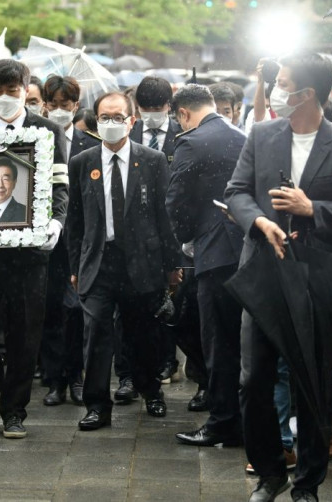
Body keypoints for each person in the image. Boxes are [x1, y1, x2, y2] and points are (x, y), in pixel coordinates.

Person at [225, 52, 332, 502]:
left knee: (310, 380)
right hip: (263, 273)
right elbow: (236, 192)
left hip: (318, 277)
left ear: (308, 93)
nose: (276, 90)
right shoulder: (263, 133)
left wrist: (315, 211)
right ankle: (269, 473)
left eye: (284, 83)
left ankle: (308, 482)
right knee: (254, 380)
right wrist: (259, 222)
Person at [0, 59, 68, 438]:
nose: (5, 98)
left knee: (25, 332)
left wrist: (56, 220)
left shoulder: (48, 130)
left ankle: (14, 409)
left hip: (29, 254)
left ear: (27, 89)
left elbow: (59, 185)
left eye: (13, 90)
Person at [66, 91, 182, 430]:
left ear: (132, 121)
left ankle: (151, 391)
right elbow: (76, 221)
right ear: (95, 120)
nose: (111, 123)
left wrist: (172, 265)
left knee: (142, 334)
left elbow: (165, 216)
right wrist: (75, 268)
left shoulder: (152, 160)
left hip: (141, 263)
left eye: (118, 117)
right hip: (99, 262)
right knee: (97, 334)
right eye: (104, 117)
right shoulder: (82, 162)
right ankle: (97, 405)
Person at [165, 84, 246, 447]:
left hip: (212, 251)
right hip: (247, 248)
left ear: (182, 113)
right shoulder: (243, 136)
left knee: (217, 344)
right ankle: (243, 421)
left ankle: (221, 422)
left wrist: (185, 238)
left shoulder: (190, 141)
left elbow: (176, 199)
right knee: (244, 345)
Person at [39, 75, 100, 406]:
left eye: (66, 105)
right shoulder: (35, 140)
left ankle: (76, 376)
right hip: (44, 237)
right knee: (49, 308)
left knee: (76, 309)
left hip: (79, 240)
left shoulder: (89, 143)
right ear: (45, 105)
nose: (60, 110)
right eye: (54, 104)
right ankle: (53, 379)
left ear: (76, 106)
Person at [127, 75, 183, 391]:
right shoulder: (129, 132)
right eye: (145, 107)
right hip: (135, 233)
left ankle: (169, 361)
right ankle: (135, 374)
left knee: (173, 302)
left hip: (172, 229)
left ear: (168, 107)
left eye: (157, 107)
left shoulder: (182, 134)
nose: (151, 113)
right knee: (138, 308)